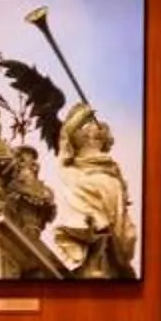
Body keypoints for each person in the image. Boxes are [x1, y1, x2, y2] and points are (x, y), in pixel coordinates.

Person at [51, 103, 136, 278]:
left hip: (111, 194)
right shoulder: (72, 169)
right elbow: (66, 135)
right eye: (86, 125)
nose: (94, 130)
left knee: (115, 244)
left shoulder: (112, 172)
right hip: (86, 186)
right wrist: (81, 116)